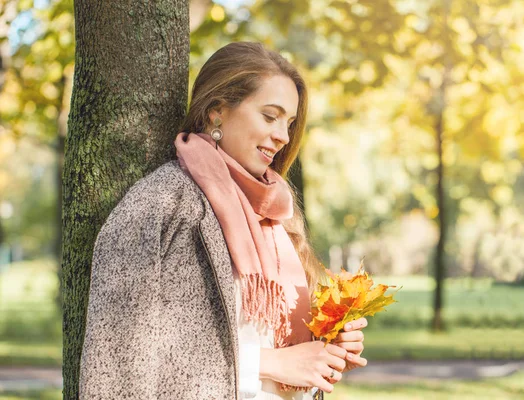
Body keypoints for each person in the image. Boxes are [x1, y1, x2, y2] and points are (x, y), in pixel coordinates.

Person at [78, 42, 368, 400]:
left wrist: (326, 343)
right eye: (269, 116)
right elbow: (119, 354)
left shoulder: (275, 214)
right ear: (217, 112)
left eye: (289, 122)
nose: (283, 136)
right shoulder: (162, 204)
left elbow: (269, 341)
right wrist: (270, 363)